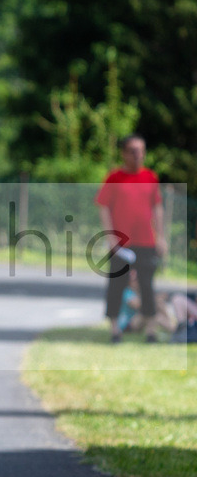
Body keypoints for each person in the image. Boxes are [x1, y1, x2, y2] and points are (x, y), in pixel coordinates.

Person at [95, 134, 166, 343]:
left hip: (146, 241)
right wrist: (110, 237)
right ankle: (115, 329)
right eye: (133, 151)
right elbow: (103, 206)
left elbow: (158, 207)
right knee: (117, 284)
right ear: (124, 153)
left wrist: (161, 237)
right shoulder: (114, 178)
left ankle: (151, 330)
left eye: (141, 151)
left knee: (147, 285)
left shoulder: (150, 177)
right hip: (121, 243)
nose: (138, 155)